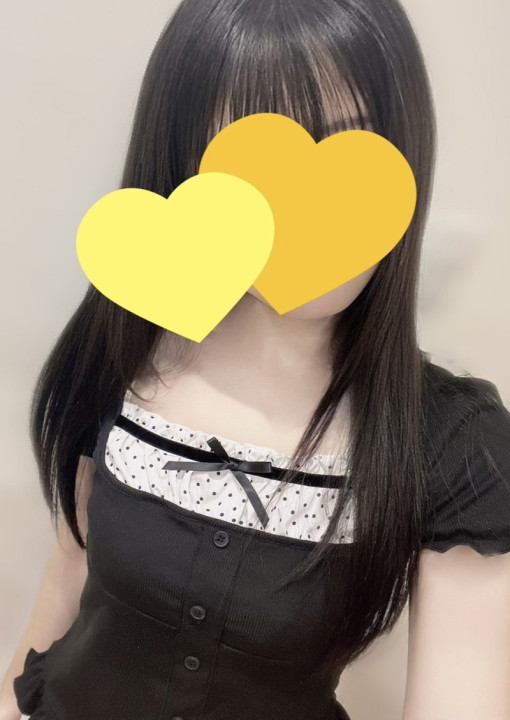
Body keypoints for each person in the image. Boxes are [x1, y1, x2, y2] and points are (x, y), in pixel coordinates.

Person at [2, 0, 510, 718]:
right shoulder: (122, 346)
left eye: (350, 150)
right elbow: (69, 575)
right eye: (260, 163)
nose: (304, 213)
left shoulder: (455, 445)